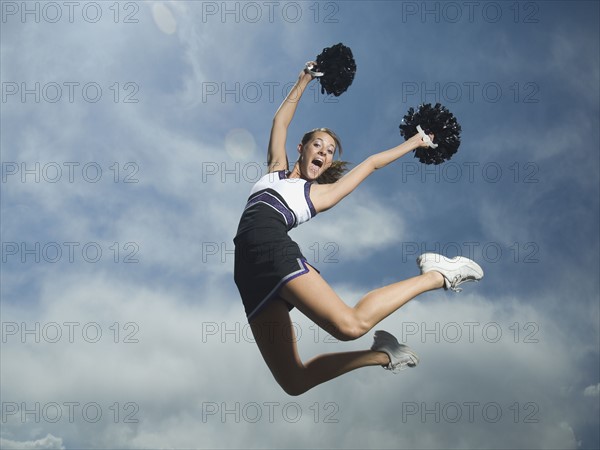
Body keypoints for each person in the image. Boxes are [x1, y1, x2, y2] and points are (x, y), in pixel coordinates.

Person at [233, 63, 483, 396]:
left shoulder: (319, 194)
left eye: (330, 151)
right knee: (293, 381)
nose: (323, 152)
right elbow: (281, 121)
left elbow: (371, 163)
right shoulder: (275, 171)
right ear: (301, 148)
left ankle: (437, 275)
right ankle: (384, 354)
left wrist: (414, 143)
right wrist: (305, 79)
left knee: (350, 325)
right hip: (247, 273)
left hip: (270, 248)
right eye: (318, 145)